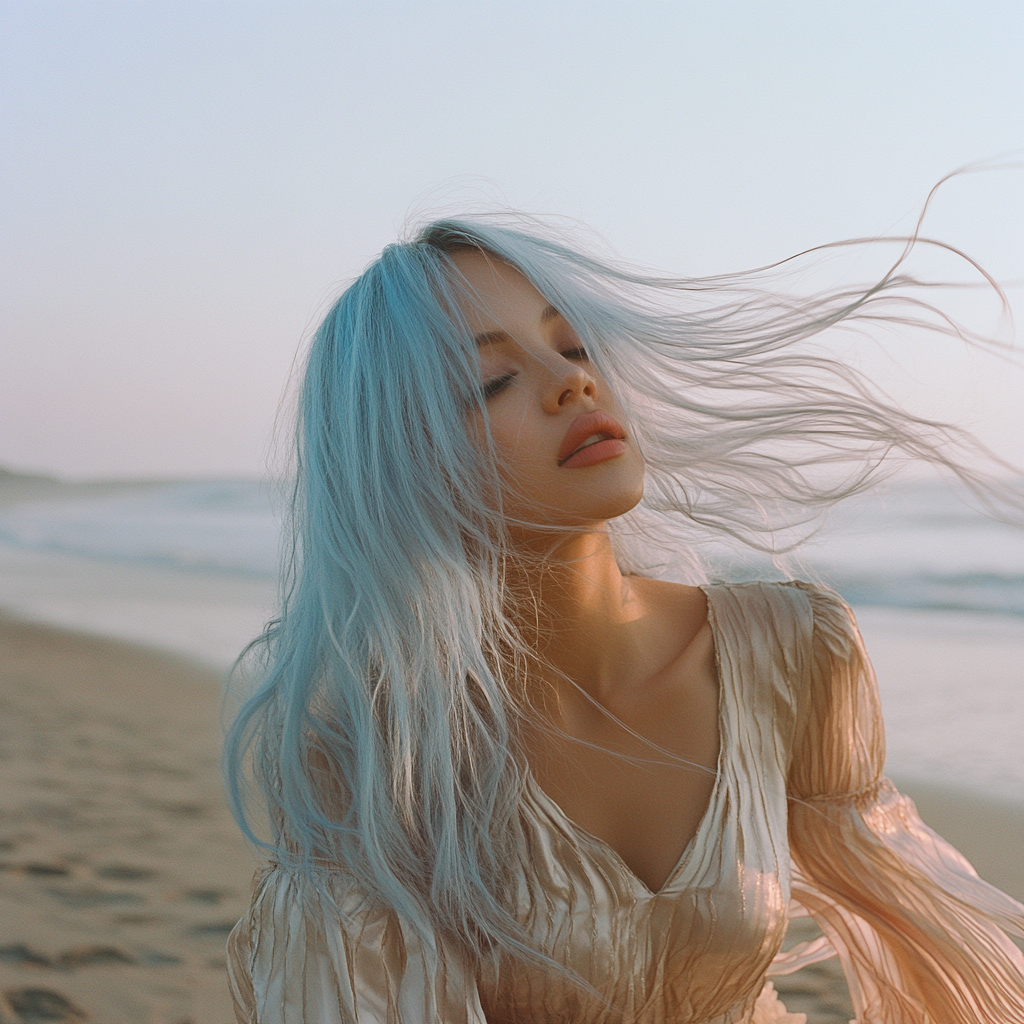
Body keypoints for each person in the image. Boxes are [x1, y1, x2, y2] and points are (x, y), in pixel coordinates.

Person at [224, 209, 1024, 1023]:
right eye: (491, 381)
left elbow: (929, 944)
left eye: (573, 347)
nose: (573, 382)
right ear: (403, 459)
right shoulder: (371, 737)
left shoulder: (795, 649)